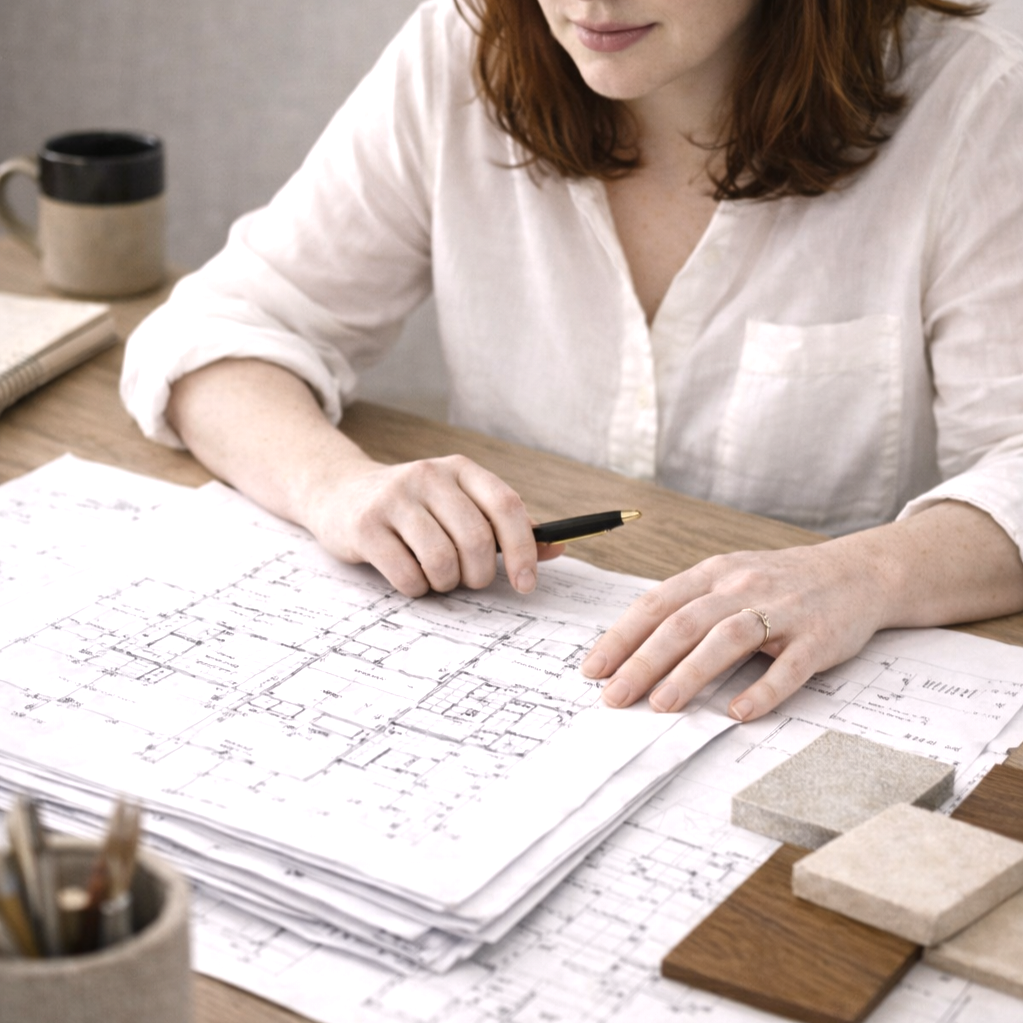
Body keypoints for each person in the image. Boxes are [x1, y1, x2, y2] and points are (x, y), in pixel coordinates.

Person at [121, 0, 1023, 725]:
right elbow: (216, 328)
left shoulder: (971, 98)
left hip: (794, 701)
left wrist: (862, 573)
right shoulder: (462, 43)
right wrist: (335, 488)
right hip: (509, 662)